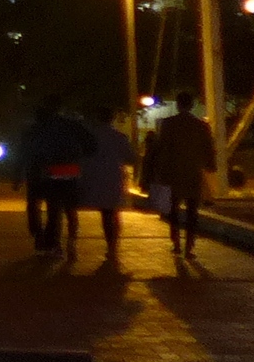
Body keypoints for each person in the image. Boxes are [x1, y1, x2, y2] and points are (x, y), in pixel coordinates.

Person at [142, 90, 217, 257]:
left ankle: (175, 241)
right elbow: (208, 148)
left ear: (177, 104)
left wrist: (154, 171)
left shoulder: (167, 124)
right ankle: (189, 246)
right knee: (192, 211)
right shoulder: (200, 126)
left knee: (173, 210)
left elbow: (160, 148)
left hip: (171, 172)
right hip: (192, 173)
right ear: (191, 105)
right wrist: (211, 166)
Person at [16, 99, 92, 252]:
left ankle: (40, 236)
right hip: (64, 169)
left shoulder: (34, 128)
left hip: (38, 170)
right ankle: (53, 241)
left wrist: (17, 174)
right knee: (55, 207)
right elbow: (90, 144)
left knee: (35, 204)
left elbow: (22, 152)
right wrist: (77, 158)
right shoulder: (71, 126)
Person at [78, 101, 130, 254]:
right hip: (114, 177)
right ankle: (114, 242)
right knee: (113, 210)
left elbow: (83, 156)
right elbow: (129, 157)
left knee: (106, 212)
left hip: (96, 177)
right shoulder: (119, 136)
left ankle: (111, 243)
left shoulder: (91, 136)